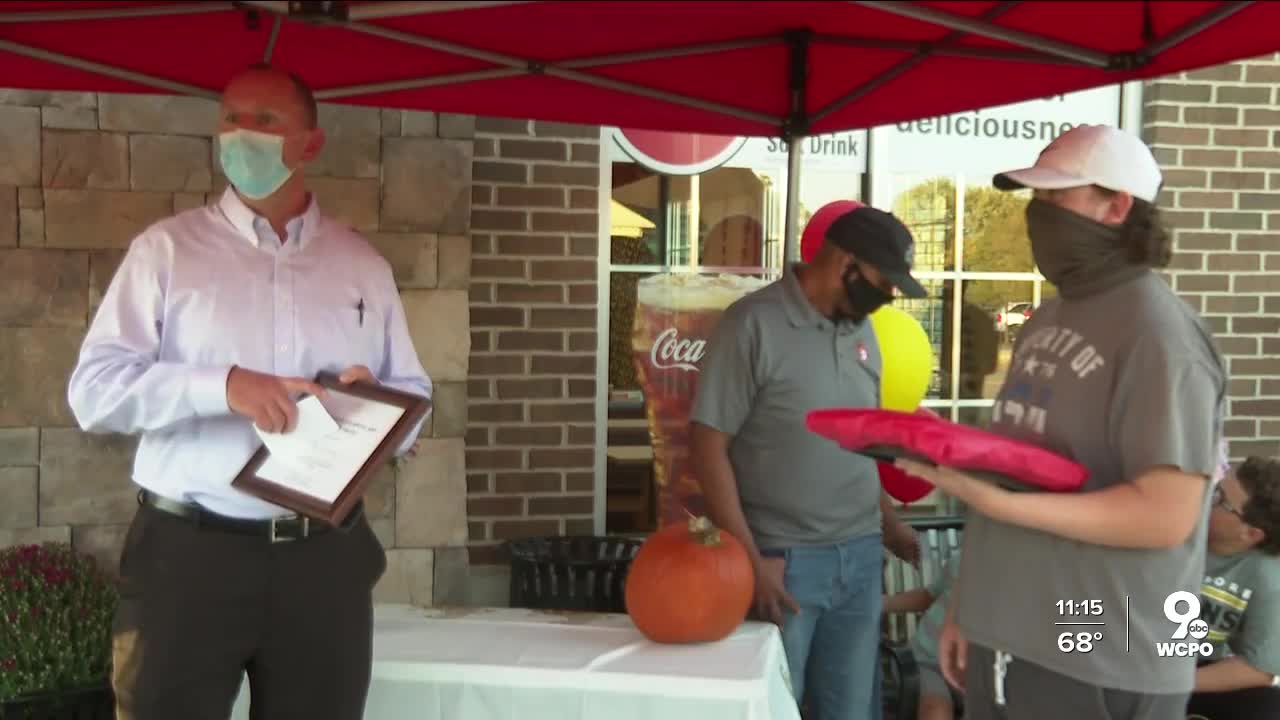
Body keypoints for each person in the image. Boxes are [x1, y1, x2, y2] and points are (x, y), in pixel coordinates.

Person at [66, 64, 431, 720]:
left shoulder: (360, 266)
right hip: (188, 557)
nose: (242, 134)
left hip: (324, 560)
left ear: (310, 145)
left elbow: (412, 402)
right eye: (231, 118)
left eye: (265, 121)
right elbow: (94, 393)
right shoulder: (166, 253)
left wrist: (375, 406)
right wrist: (223, 387)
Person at [894, 124, 1227, 719]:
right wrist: (967, 607)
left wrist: (999, 506)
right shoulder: (1048, 319)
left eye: (1056, 197)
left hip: (1099, 654)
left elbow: (1164, 515)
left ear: (1117, 206)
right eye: (1036, 200)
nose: (1037, 215)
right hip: (1008, 637)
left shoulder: (1161, 336)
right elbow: (1003, 471)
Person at [689, 203, 929, 720]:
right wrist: (750, 560)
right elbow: (707, 447)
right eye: (881, 281)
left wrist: (889, 525)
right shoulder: (752, 324)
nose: (887, 296)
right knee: (777, 705)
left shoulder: (863, 332)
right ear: (843, 259)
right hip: (784, 560)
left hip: (862, 558)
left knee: (850, 711)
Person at [1185, 454, 1280, 720]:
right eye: (1214, 487)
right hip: (1136, 656)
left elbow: (1259, 669)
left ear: (1251, 533)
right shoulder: (1176, 529)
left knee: (1269, 707)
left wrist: (1173, 684)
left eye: (1219, 498)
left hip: (1202, 669)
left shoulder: (1269, 576)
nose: (1206, 498)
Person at [883, 550, 964, 720]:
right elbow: (929, 596)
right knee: (935, 710)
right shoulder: (964, 558)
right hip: (926, 661)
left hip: (980, 672)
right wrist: (884, 603)